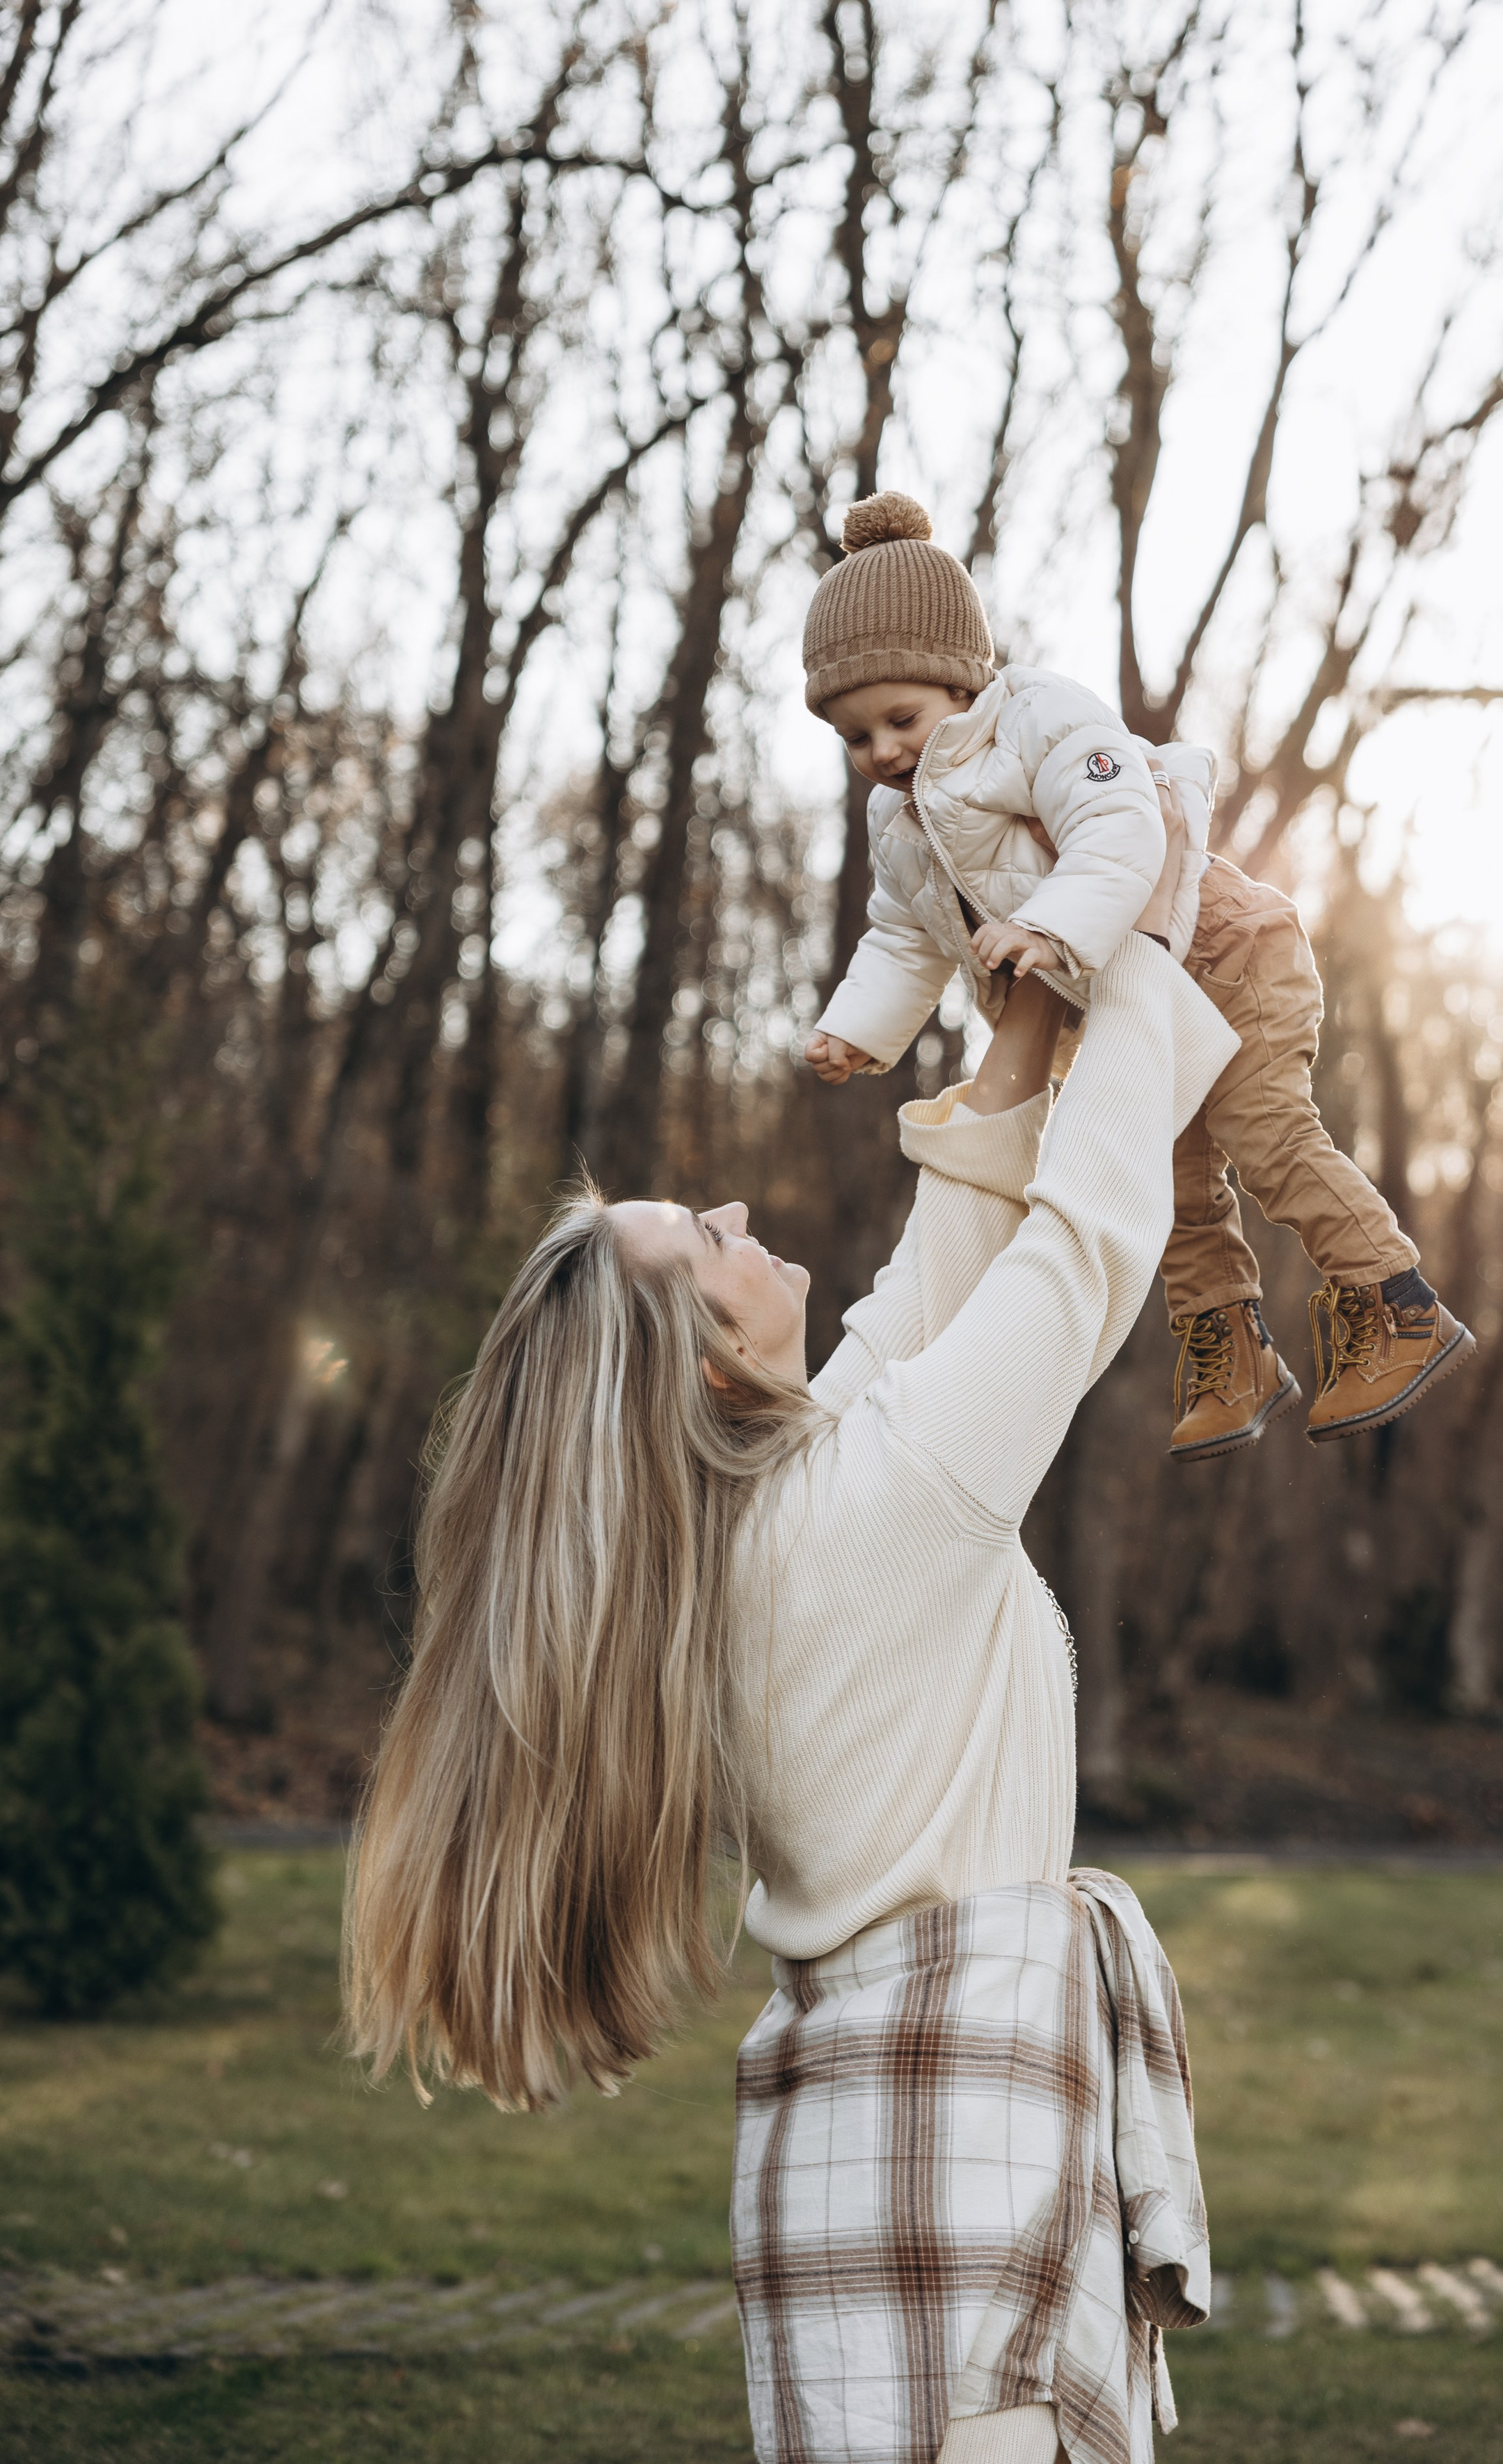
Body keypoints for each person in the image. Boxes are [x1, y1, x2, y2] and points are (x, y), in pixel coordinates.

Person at [346, 777, 1232, 2463]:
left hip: (869, 2158)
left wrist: (1029, 1019)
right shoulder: (862, 1510)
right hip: (950, 2170)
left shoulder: (782, 1509)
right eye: (708, 1238)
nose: (745, 1219)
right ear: (705, 1357)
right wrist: (1142, 931)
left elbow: (948, 1261)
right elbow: (1085, 1248)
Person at [800, 491, 1474, 1461]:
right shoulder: (900, 822)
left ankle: (1393, 1300)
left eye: (899, 719)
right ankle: (1231, 1353)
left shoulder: (1035, 721)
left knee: (1266, 1134)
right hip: (1124, 997)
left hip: (1227, 950)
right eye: (855, 739)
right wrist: (858, 1030)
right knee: (1172, 1183)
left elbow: (1124, 827)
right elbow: (903, 936)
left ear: (960, 682)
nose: (883, 753)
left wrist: (1044, 924)